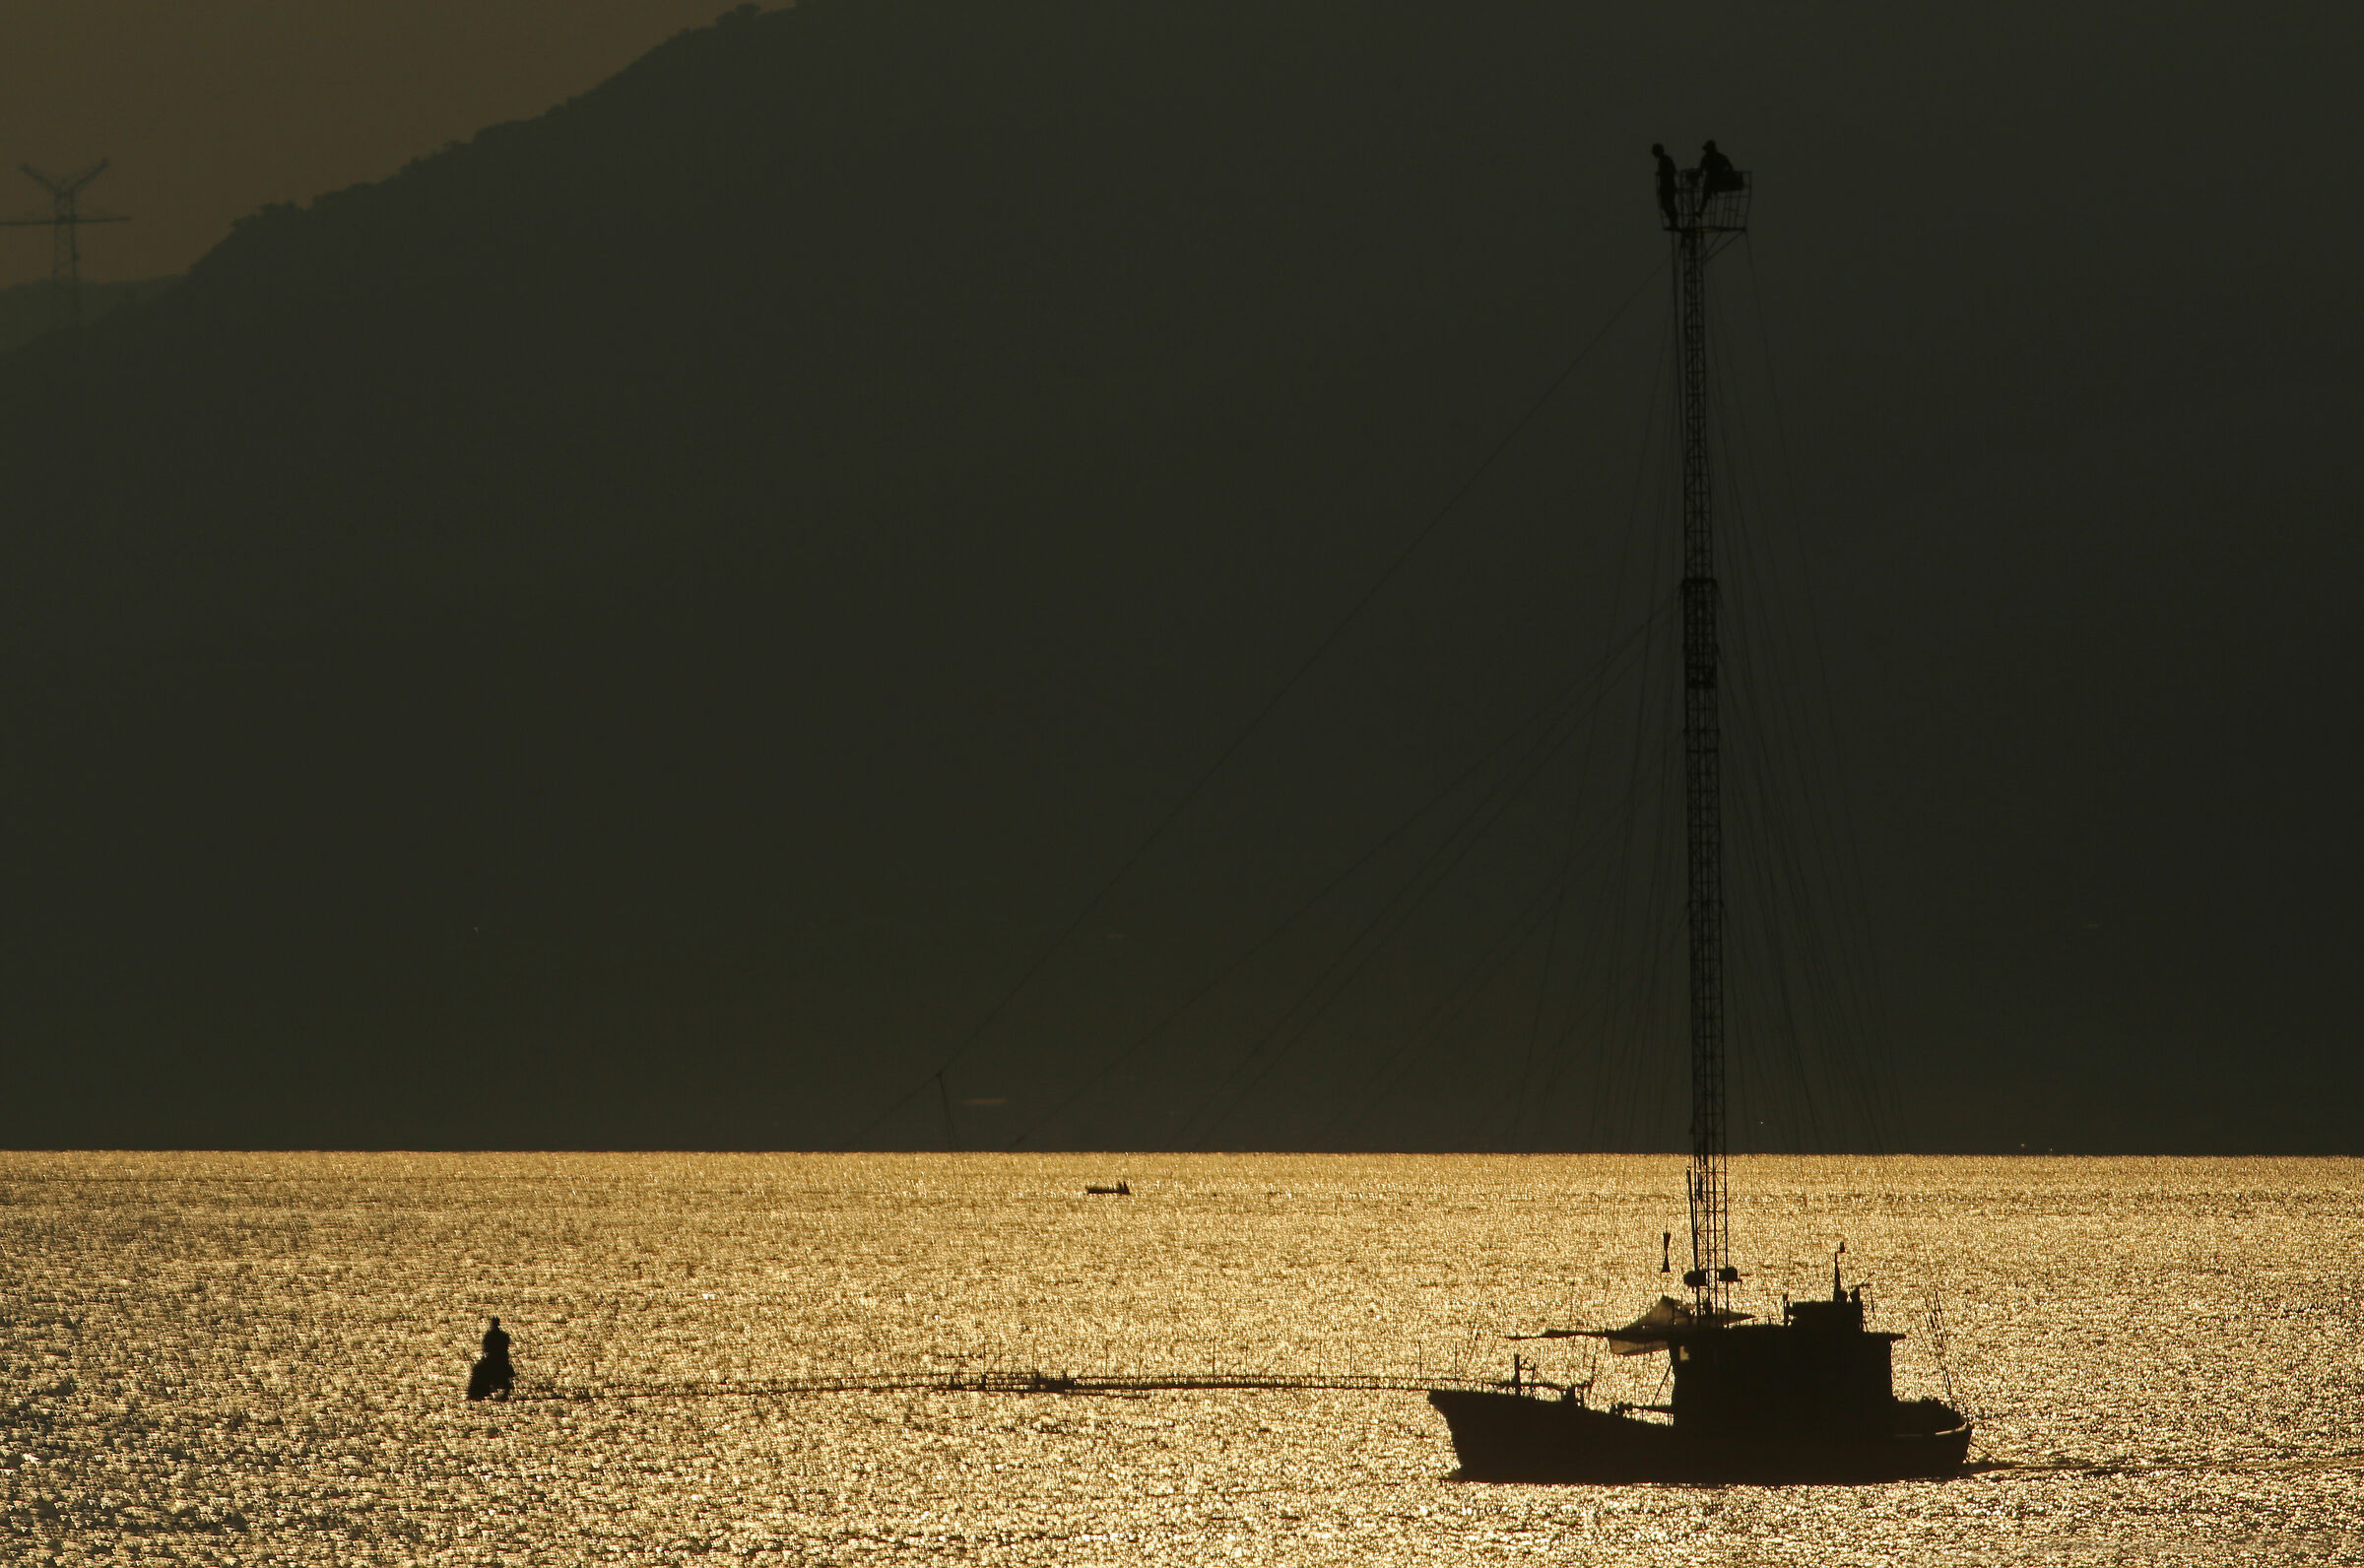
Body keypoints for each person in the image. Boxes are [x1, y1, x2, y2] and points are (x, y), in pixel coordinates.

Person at [468, 1315, 515, 1402]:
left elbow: (486, 1349)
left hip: (494, 1358)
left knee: (478, 1371)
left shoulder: (490, 1335)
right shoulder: (504, 1335)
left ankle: (478, 1391)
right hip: (502, 1358)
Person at [1652, 144, 1680, 229]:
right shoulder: (1663, 160)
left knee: (1668, 204)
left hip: (1668, 186)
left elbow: (1672, 171)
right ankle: (1673, 222)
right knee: (1666, 205)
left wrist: (1662, 173)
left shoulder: (1665, 160)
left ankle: (1674, 222)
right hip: (1666, 186)